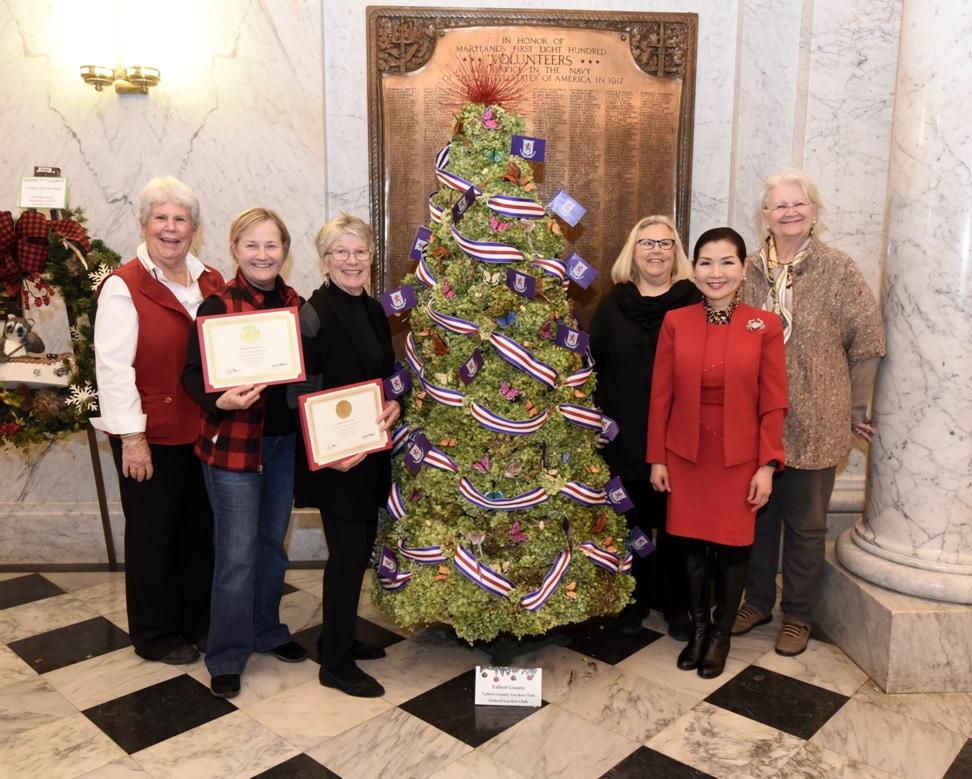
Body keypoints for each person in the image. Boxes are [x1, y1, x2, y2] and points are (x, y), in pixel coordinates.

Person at [732, 169, 885, 656]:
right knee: (756, 518)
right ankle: (756, 602)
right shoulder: (747, 270)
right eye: (780, 206)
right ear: (765, 217)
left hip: (818, 415)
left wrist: (854, 408)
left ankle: (798, 615)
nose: (790, 212)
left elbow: (868, 341)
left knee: (806, 525)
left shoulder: (839, 269)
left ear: (814, 212)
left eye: (799, 204)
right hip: (755, 418)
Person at [91, 176, 223, 664]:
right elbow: (112, 368)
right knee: (152, 536)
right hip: (149, 435)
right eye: (161, 218)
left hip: (204, 432)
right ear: (144, 224)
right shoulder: (123, 286)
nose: (171, 229)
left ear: (194, 227)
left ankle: (198, 623)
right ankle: (156, 635)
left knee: (198, 530)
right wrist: (132, 438)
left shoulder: (211, 279)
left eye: (180, 219)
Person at [648, 227, 788, 678]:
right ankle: (699, 630)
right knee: (688, 545)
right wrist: (658, 457)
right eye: (706, 262)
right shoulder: (677, 322)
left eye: (727, 262)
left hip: (739, 458)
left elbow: (773, 401)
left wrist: (767, 465)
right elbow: (661, 396)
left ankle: (721, 635)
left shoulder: (763, 325)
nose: (716, 272)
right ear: (694, 269)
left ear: (744, 269)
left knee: (730, 549)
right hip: (687, 454)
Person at [182, 207, 308, 699]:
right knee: (235, 555)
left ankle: (267, 630)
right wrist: (220, 399)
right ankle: (228, 654)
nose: (262, 254)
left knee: (272, 546)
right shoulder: (217, 306)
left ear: (284, 252)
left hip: (283, 446)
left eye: (271, 245)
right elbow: (193, 374)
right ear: (234, 249)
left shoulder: (297, 305)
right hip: (234, 446)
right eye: (251, 245)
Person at [288, 213, 400, 698]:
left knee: (358, 555)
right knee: (347, 556)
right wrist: (328, 453)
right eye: (341, 253)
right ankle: (333, 661)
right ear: (324, 260)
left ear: (370, 257)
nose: (351, 261)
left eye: (360, 252)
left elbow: (387, 374)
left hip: (370, 452)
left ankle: (345, 637)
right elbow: (296, 392)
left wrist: (396, 402)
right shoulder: (312, 313)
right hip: (335, 459)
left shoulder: (374, 309)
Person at [589, 215, 702, 638]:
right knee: (630, 520)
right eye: (646, 243)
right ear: (632, 253)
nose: (656, 251)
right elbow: (591, 366)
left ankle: (675, 604)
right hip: (624, 435)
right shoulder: (612, 304)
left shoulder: (694, 303)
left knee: (675, 523)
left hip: (678, 435)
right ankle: (633, 599)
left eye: (665, 243)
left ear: (677, 254)